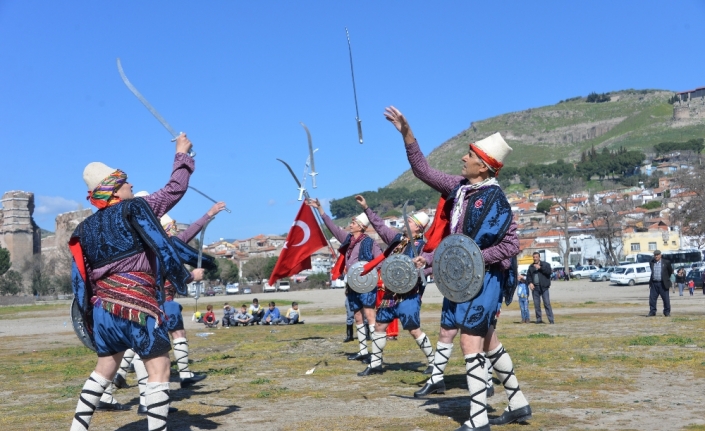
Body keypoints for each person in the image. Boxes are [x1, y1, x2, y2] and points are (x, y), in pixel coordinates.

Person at [385, 106, 530, 431]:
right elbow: (423, 171)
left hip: (487, 279)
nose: (462, 159)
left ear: (484, 165)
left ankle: (478, 420)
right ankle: (518, 403)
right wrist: (407, 134)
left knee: (470, 341)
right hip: (464, 280)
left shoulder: (497, 200)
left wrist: (474, 259)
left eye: (469, 155)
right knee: (488, 341)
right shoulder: (460, 189)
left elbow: (509, 248)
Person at [69, 134, 202, 431]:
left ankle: (77, 429)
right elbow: (174, 190)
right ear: (115, 189)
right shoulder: (135, 208)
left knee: (104, 369)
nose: (131, 185)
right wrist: (182, 154)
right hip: (137, 307)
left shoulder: (83, 229)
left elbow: (81, 279)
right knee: (160, 367)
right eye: (126, 182)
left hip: (103, 311)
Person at [353, 194, 436, 377]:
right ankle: (375, 364)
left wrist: (421, 271)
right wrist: (366, 208)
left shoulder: (424, 247)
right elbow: (381, 227)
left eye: (411, 221)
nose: (406, 221)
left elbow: (431, 267)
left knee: (414, 330)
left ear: (418, 228)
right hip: (391, 294)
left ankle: (433, 361)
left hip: (409, 294)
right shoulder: (397, 240)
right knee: (380, 327)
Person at [307, 198, 383, 363]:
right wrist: (320, 208)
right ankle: (363, 351)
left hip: (366, 283)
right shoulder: (347, 239)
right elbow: (332, 227)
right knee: (357, 315)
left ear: (362, 226)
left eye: (354, 222)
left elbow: (380, 261)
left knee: (370, 315)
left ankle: (376, 355)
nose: (351, 223)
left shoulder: (370, 242)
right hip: (353, 283)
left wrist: (370, 273)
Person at [526, 252, 554, 324]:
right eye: (534, 257)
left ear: (539, 257)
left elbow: (548, 272)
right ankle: (539, 319)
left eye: (536, 257)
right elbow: (528, 276)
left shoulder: (546, 264)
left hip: (544, 287)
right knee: (536, 304)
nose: (535, 258)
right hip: (535, 288)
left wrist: (540, 268)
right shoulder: (531, 267)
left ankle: (551, 320)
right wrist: (530, 283)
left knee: (547, 303)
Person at [648, 250, 673, 317]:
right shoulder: (651, 262)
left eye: (657, 255)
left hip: (663, 283)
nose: (656, 256)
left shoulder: (666, 262)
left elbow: (670, 271)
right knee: (652, 299)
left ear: (660, 255)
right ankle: (652, 311)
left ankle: (666, 312)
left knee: (666, 299)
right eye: (655, 255)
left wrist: (666, 279)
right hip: (654, 283)